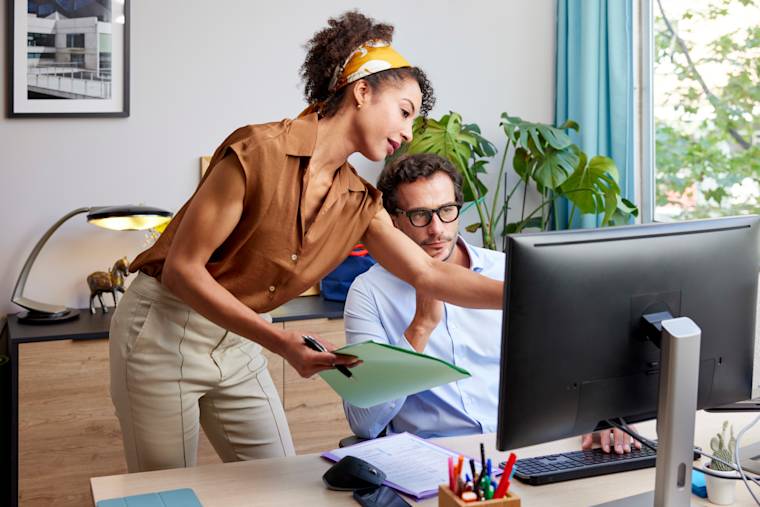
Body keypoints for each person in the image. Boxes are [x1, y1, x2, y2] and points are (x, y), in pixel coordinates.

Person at [108, 10, 502, 474]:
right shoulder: (257, 151)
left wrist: (527, 297)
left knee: (280, 486)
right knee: (164, 494)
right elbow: (182, 270)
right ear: (362, 90)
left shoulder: (359, 200)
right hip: (164, 329)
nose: (408, 132)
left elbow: (429, 273)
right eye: (404, 111)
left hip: (240, 343)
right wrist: (279, 341)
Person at [343, 153, 642, 454]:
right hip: (436, 457)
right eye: (420, 215)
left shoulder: (508, 271)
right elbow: (364, 423)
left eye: (447, 210)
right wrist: (419, 329)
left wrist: (606, 414)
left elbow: (574, 363)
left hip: (524, 448)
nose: (436, 229)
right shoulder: (369, 292)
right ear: (393, 220)